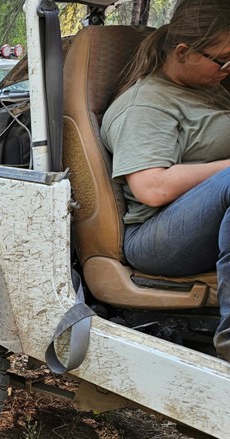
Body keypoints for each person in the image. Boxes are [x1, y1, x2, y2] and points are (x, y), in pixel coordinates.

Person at [100, 0, 230, 360]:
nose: (228, 67)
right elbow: (151, 187)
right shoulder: (145, 104)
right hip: (156, 237)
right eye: (223, 59)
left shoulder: (207, 86)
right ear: (184, 52)